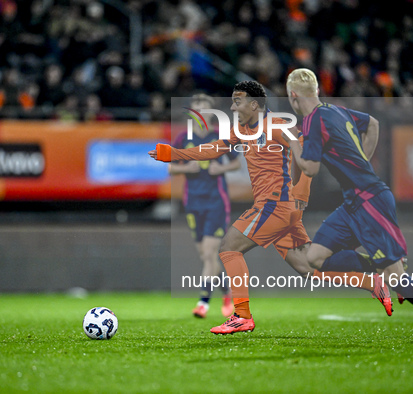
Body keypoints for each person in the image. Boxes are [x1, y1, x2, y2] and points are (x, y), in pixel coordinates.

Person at [149, 81, 389, 335]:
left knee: (229, 248)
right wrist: (177, 154)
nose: (232, 106)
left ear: (254, 104)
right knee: (307, 267)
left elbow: (308, 154)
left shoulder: (277, 126)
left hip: (275, 204)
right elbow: (214, 149)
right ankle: (372, 283)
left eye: (237, 101)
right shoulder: (241, 129)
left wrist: (302, 190)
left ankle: (241, 315)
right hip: (277, 207)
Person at [284, 68, 413, 351]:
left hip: (370, 200)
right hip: (352, 202)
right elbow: (374, 124)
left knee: (397, 278)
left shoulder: (312, 121)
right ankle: (376, 270)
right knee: (315, 258)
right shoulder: (336, 111)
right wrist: (362, 162)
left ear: (293, 95)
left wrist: (292, 142)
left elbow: (311, 168)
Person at [171, 93, 240, 318]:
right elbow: (171, 167)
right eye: (196, 108)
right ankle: (228, 292)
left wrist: (220, 169)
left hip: (216, 201)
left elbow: (237, 162)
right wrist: (185, 168)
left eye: (204, 108)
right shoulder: (183, 139)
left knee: (210, 253)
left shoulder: (220, 137)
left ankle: (203, 303)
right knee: (206, 256)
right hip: (193, 202)